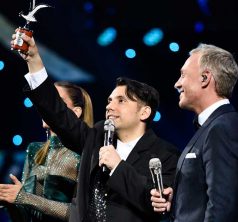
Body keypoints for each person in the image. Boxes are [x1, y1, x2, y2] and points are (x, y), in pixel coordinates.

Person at [10, 32, 180, 222]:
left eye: (121, 101)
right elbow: (57, 113)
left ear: (144, 113)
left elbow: (155, 205)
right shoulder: (95, 138)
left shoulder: (166, 155)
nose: (109, 106)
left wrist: (117, 166)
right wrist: (34, 60)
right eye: (109, 100)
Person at [151, 43, 238, 221]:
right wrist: (179, 201)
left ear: (205, 78)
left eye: (183, 75)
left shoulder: (222, 127)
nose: (177, 84)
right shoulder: (210, 127)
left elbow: (223, 207)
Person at [0, 81, 94, 222]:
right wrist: (11, 202)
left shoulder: (84, 153)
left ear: (76, 112)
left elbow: (79, 214)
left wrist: (24, 197)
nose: (46, 106)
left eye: (55, 101)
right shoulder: (34, 150)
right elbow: (24, 217)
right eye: (46, 100)